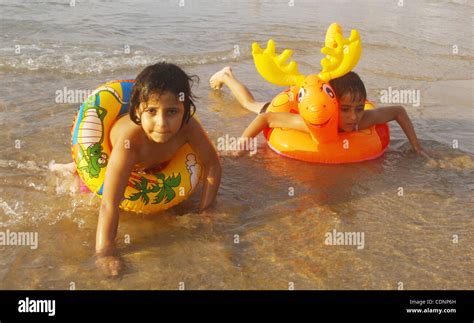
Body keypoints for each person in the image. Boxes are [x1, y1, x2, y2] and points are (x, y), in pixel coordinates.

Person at [209, 67, 429, 157]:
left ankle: (228, 76)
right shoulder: (311, 124)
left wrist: (417, 148)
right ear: (333, 108)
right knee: (250, 104)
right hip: (291, 107)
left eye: (359, 108)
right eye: (345, 110)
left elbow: (399, 111)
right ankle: (227, 76)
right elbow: (266, 118)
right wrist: (241, 144)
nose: (353, 117)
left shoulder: (363, 120)